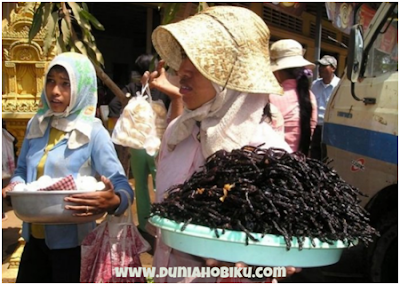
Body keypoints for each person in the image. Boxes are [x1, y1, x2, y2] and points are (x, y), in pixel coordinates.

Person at [150, 6, 295, 282]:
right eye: (183, 56)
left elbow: (287, 249)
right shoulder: (176, 133)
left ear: (232, 73)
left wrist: (265, 262)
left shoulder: (267, 153)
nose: (182, 70)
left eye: (198, 59)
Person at [2, 52, 134, 283]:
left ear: (81, 89)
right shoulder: (37, 124)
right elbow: (22, 171)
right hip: (34, 240)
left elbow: (122, 185)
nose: (55, 91)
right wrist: (14, 188)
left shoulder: (93, 132)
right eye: (51, 81)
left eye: (65, 84)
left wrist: (114, 201)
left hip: (74, 245)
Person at [269, 39, 318, 155]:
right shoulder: (310, 96)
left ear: (277, 72)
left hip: (275, 162)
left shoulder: (271, 96)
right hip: (300, 162)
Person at [310, 55, 340, 160]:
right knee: (314, 154)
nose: (320, 69)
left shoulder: (339, 86)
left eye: (324, 66)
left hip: (330, 128)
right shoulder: (315, 84)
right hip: (316, 127)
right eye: (320, 66)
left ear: (333, 68)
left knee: (328, 156)